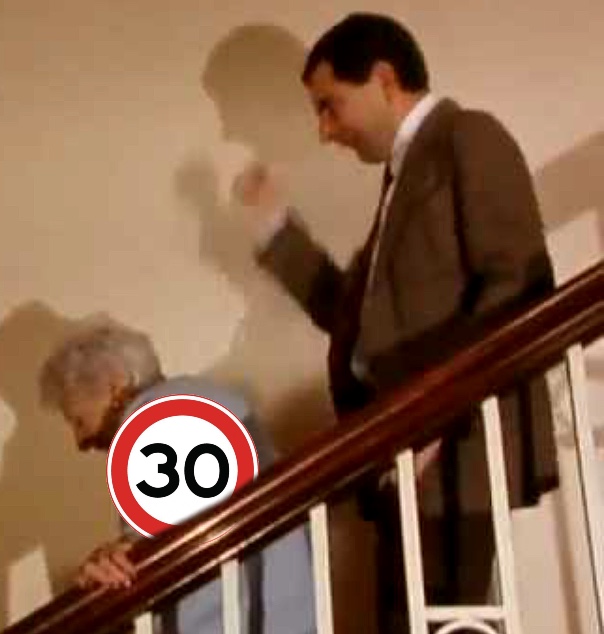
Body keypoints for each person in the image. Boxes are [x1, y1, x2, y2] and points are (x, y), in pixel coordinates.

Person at [233, 12, 559, 633]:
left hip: (453, 450)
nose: (325, 131)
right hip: (403, 453)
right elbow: (352, 318)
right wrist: (277, 231)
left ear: (383, 79)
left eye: (330, 106)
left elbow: (516, 282)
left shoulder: (467, 136)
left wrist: (438, 412)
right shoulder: (402, 176)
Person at [38, 318, 317, 634]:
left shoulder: (152, 420)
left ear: (115, 386)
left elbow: (142, 557)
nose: (81, 442)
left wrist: (113, 560)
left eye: (78, 421)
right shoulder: (200, 397)